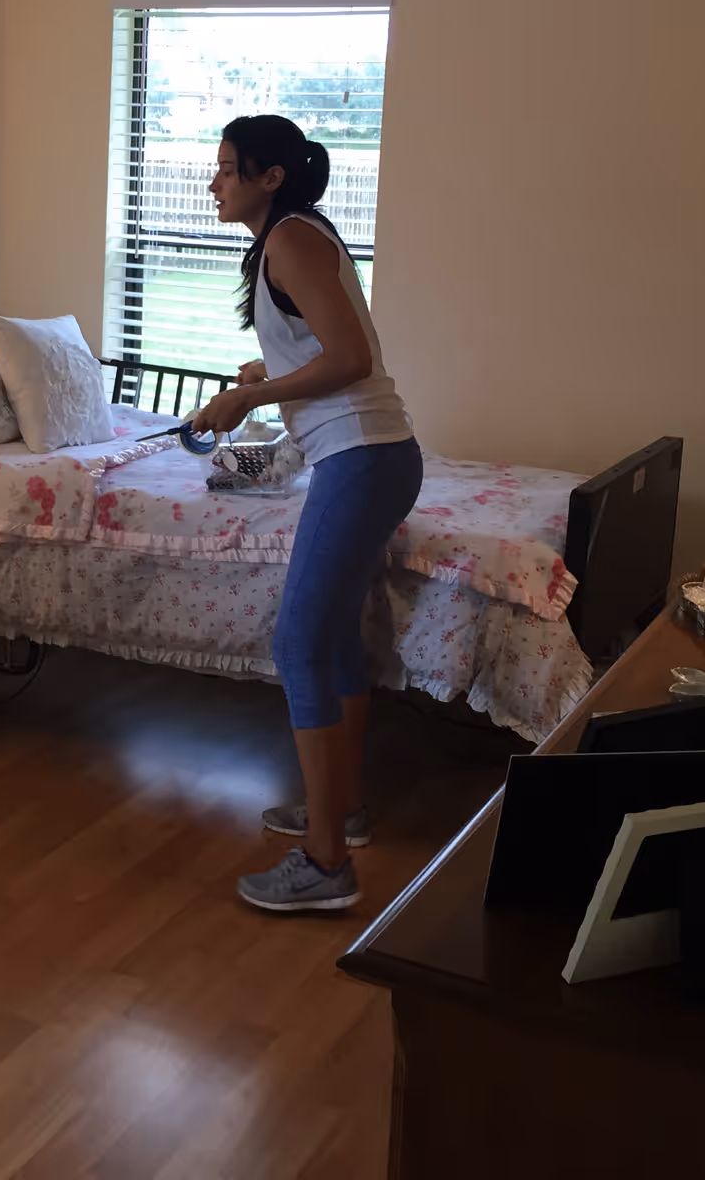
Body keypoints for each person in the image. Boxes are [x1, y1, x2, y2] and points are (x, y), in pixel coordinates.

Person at [187, 114, 420, 914]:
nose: (213, 183)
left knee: (297, 642)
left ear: (270, 177)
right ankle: (339, 813)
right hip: (372, 455)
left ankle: (325, 866)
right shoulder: (292, 237)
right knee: (331, 638)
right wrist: (271, 365)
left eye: (227, 169)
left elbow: (352, 358)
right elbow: (328, 344)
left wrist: (249, 399)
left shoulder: (289, 239)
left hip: (362, 457)